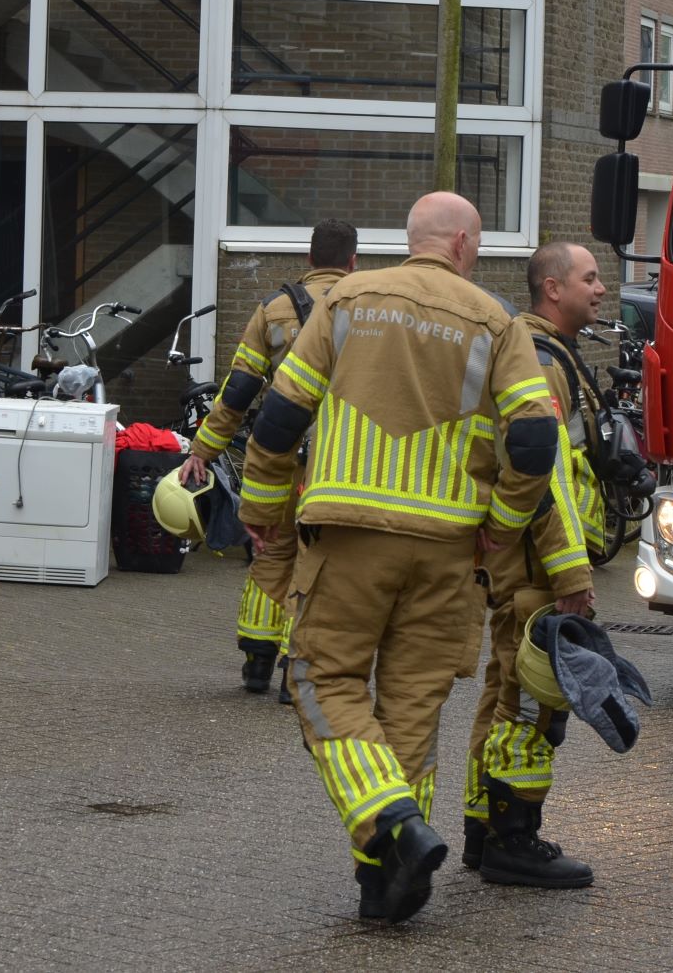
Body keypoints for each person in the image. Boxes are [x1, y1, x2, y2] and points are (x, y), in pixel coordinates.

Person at [239, 192, 558, 926]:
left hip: (349, 537)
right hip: (449, 549)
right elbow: (536, 442)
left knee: (320, 679)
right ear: (464, 244)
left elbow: (283, 413)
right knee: (411, 708)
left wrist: (260, 509)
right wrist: (501, 529)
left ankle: (393, 824)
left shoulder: (349, 297)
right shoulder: (496, 319)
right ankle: (382, 883)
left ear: (411, 240)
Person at [460, 241, 605, 889]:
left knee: (502, 689)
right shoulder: (543, 362)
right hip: (538, 565)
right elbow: (545, 477)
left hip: (521, 558)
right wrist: (572, 574)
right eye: (590, 277)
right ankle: (514, 840)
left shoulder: (539, 351)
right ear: (552, 287)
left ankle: (482, 827)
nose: (601, 288)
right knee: (534, 700)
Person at [181, 217, 359, 700]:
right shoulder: (366, 309)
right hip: (339, 460)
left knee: (273, 549)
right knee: (318, 560)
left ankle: (257, 662)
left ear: (308, 259)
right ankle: (294, 671)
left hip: (275, 453)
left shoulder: (274, 309)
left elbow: (239, 390)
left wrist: (203, 449)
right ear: (353, 262)